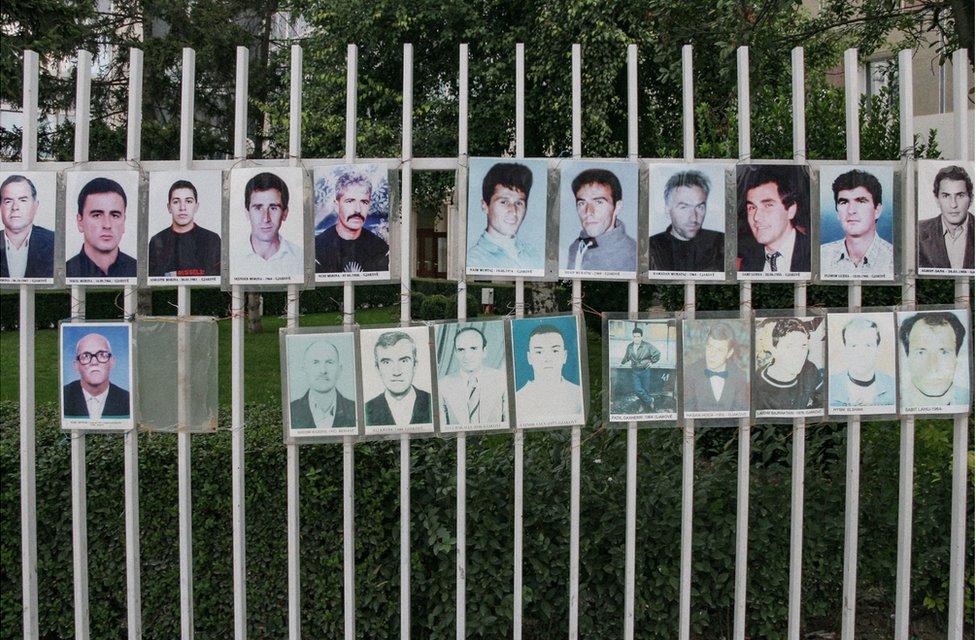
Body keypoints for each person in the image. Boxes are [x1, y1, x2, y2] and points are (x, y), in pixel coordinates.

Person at [467, 162, 542, 270]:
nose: (513, 211)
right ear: (485, 206)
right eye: (504, 202)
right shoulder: (474, 259)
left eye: (519, 203)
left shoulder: (533, 254)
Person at [737, 165, 810, 273]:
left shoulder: (815, 253)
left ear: (791, 210)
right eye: (752, 207)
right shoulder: (748, 259)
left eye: (768, 205)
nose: (756, 217)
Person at [648, 170, 724, 273]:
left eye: (699, 207)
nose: (693, 218)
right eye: (684, 207)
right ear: (667, 210)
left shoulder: (720, 243)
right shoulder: (651, 248)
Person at [820, 169, 893, 277]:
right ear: (837, 212)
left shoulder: (893, 259)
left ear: (877, 210)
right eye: (844, 202)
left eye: (861, 201)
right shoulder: (821, 256)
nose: (851, 210)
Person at [315, 170, 389, 273]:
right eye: (350, 201)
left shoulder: (379, 248)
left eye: (364, 202)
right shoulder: (318, 247)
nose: (358, 209)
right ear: (336, 205)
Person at [232, 171, 302, 278]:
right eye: (258, 208)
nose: (266, 218)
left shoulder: (301, 259)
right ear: (247, 213)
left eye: (273, 208)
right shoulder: (231, 258)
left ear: (285, 213)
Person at [565, 168, 637, 271]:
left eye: (599, 202)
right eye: (582, 203)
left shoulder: (632, 255)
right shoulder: (575, 247)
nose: (589, 211)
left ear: (617, 207)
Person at [148, 179, 222, 277]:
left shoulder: (212, 239)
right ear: (169, 207)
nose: (182, 207)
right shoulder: (157, 241)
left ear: (196, 206)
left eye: (188, 201)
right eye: (176, 202)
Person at [66, 177, 137, 278]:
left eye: (115, 215)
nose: (107, 225)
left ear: (124, 221)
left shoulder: (139, 271)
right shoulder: (66, 272)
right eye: (97, 215)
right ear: (80, 221)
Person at [438, 326, 508, 426]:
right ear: (456, 353)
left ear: (484, 351)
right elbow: (442, 429)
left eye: (473, 348)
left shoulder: (502, 379)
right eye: (461, 350)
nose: (467, 355)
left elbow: (509, 423)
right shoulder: (442, 385)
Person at [898, 312, 970, 407]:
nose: (933, 367)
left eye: (944, 352)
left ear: (956, 357)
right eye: (921, 352)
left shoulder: (968, 400)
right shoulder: (894, 401)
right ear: (908, 357)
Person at [515, 323, 583, 422]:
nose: (547, 358)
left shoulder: (578, 395)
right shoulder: (518, 399)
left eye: (555, 351)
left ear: (564, 356)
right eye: (539, 352)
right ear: (529, 358)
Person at [365, 331, 432, 426]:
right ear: (377, 369)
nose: (396, 372)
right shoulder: (366, 409)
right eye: (387, 362)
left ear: (415, 365)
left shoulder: (433, 402)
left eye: (404, 361)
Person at [754, 318, 822, 411]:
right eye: (789, 346)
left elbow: (822, 403)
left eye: (803, 346)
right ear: (774, 350)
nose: (798, 354)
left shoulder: (810, 370)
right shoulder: (757, 386)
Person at [828, 317, 895, 408]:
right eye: (853, 346)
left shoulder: (892, 386)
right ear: (845, 348)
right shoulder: (830, 386)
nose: (861, 354)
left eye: (868, 345)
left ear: (877, 348)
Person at [683, 322, 749, 413]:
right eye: (710, 347)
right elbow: (687, 412)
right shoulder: (691, 372)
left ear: (729, 353)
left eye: (719, 350)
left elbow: (741, 412)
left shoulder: (739, 375)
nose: (712, 355)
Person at [918, 165, 974, 270]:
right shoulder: (919, 232)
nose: (953, 205)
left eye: (960, 195)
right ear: (937, 199)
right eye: (946, 196)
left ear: (971, 199)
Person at [290, 340, 357, 429]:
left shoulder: (355, 410)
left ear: (339, 370)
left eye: (329, 362)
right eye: (315, 362)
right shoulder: (291, 411)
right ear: (305, 369)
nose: (323, 371)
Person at [62, 332, 130, 419]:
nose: (94, 362)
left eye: (102, 355)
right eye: (86, 356)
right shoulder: (64, 396)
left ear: (112, 362)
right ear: (76, 365)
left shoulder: (127, 400)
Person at [0, 174, 54, 279]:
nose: (15, 207)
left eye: (22, 200)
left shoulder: (54, 242)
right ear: (0, 207)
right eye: (8, 201)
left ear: (35, 206)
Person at [619, 326, 661, 412]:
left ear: (641, 337)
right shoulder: (630, 346)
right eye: (634, 336)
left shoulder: (647, 346)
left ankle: (644, 406)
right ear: (633, 337)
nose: (636, 338)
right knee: (637, 390)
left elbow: (657, 354)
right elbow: (627, 356)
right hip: (635, 371)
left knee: (645, 390)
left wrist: (652, 362)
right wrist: (622, 363)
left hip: (645, 371)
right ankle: (650, 401)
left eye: (638, 336)